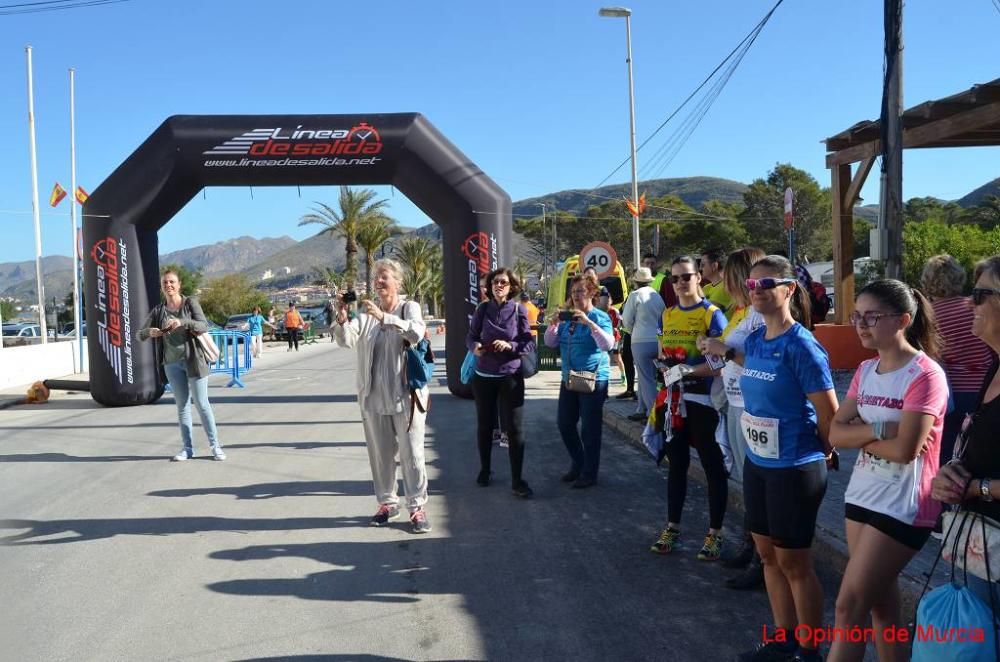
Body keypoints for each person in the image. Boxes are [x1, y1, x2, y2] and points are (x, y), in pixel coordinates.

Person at [719, 255, 837, 662]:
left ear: (789, 289)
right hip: (759, 463)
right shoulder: (753, 341)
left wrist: (827, 449)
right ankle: (783, 639)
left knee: (794, 562)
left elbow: (829, 413)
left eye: (767, 283)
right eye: (752, 285)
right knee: (767, 554)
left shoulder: (802, 345)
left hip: (794, 465)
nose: (757, 290)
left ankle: (809, 649)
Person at [827, 280, 947, 662]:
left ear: (903, 320)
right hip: (862, 494)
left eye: (872, 316)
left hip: (903, 505)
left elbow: (904, 451)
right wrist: (877, 430)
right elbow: (833, 432)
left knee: (848, 607)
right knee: (882, 609)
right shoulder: (865, 369)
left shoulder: (925, 375)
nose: (861, 325)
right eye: (857, 316)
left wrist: (857, 435)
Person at [333, 258, 432, 533]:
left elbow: (416, 333)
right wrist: (342, 315)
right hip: (373, 397)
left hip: (406, 396)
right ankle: (388, 503)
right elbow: (346, 340)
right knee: (381, 454)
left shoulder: (408, 307)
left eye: (384, 277)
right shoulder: (365, 316)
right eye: (375, 277)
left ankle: (417, 507)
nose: (378, 282)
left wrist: (385, 318)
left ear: (397, 282)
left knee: (412, 453)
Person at [931, 255, 1000, 612]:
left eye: (980, 295)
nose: (969, 303)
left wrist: (977, 488)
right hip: (983, 544)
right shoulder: (994, 368)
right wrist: (950, 475)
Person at [649, 256, 729, 561]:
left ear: (699, 278)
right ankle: (672, 528)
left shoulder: (712, 314)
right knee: (677, 467)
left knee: (712, 467)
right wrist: (664, 370)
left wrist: (686, 371)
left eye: (686, 277)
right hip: (673, 402)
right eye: (674, 279)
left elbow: (721, 363)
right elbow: (662, 355)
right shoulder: (666, 315)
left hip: (703, 401)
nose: (680, 283)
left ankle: (715, 534)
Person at [700, 247, 767, 588]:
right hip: (735, 403)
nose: (722, 278)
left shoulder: (756, 315)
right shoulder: (740, 312)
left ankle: (761, 559)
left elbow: (756, 361)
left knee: (755, 483)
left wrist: (719, 349)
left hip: (751, 407)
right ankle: (750, 546)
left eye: (728, 272)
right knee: (746, 480)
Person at [138, 269, 225, 462]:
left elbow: (203, 326)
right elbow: (139, 334)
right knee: (182, 406)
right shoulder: (158, 310)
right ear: (162, 287)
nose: (168, 285)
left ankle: (215, 446)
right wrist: (149, 332)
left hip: (193, 360)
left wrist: (182, 322)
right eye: (165, 283)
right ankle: (187, 449)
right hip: (171, 364)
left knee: (202, 404)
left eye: (171, 282)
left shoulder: (190, 303)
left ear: (179, 285)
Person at [467, 268, 536, 498]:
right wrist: (474, 347)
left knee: (515, 429)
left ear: (512, 286)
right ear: (489, 286)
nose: (499, 285)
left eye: (503, 282)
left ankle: (518, 480)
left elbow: (527, 342)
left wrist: (511, 347)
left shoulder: (519, 310)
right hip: (484, 376)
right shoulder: (482, 309)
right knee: (485, 426)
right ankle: (485, 470)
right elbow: (472, 335)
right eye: (495, 282)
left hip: (510, 376)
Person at [921, 254, 994, 463]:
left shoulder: (929, 315)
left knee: (948, 453)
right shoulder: (975, 308)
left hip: (948, 393)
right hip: (985, 389)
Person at [545, 274, 615, 488]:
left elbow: (608, 345)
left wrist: (589, 323)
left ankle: (589, 472)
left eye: (580, 291)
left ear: (592, 293)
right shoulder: (567, 318)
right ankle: (579, 462)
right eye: (573, 292)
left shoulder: (600, 317)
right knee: (565, 424)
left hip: (593, 379)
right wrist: (554, 325)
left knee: (590, 429)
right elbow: (550, 342)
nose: (576, 296)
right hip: (570, 379)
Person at [621, 267, 666, 422]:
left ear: (636, 282)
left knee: (646, 379)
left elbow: (626, 320)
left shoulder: (634, 295)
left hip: (640, 340)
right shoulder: (657, 296)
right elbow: (664, 316)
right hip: (658, 340)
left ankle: (654, 414)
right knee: (647, 377)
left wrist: (633, 330)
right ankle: (641, 408)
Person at [598, 287, 627, 386]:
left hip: (615, 338)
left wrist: (617, 328)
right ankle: (604, 379)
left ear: (611, 301)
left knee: (617, 357)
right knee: (604, 358)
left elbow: (621, 322)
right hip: (604, 338)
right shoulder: (600, 311)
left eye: (608, 299)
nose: (607, 301)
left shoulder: (614, 311)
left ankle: (623, 376)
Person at [700, 247, 733, 313]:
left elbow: (705, 312)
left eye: (702, 265)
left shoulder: (725, 287)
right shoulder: (706, 287)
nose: (700, 268)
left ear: (714, 266)